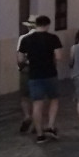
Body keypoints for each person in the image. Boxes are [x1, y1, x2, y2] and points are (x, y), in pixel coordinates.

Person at [17, 15, 64, 144]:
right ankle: (50, 125)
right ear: (48, 25)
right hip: (50, 73)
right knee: (54, 100)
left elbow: (20, 59)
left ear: (36, 24)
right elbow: (59, 57)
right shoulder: (53, 38)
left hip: (34, 75)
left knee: (37, 104)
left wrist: (30, 61)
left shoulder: (25, 39)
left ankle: (39, 135)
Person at [16, 18, 37, 132]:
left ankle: (27, 116)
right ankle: (36, 120)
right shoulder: (45, 38)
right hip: (40, 70)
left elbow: (20, 57)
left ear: (29, 26)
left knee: (24, 96)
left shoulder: (23, 38)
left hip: (27, 69)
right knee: (37, 97)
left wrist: (21, 67)